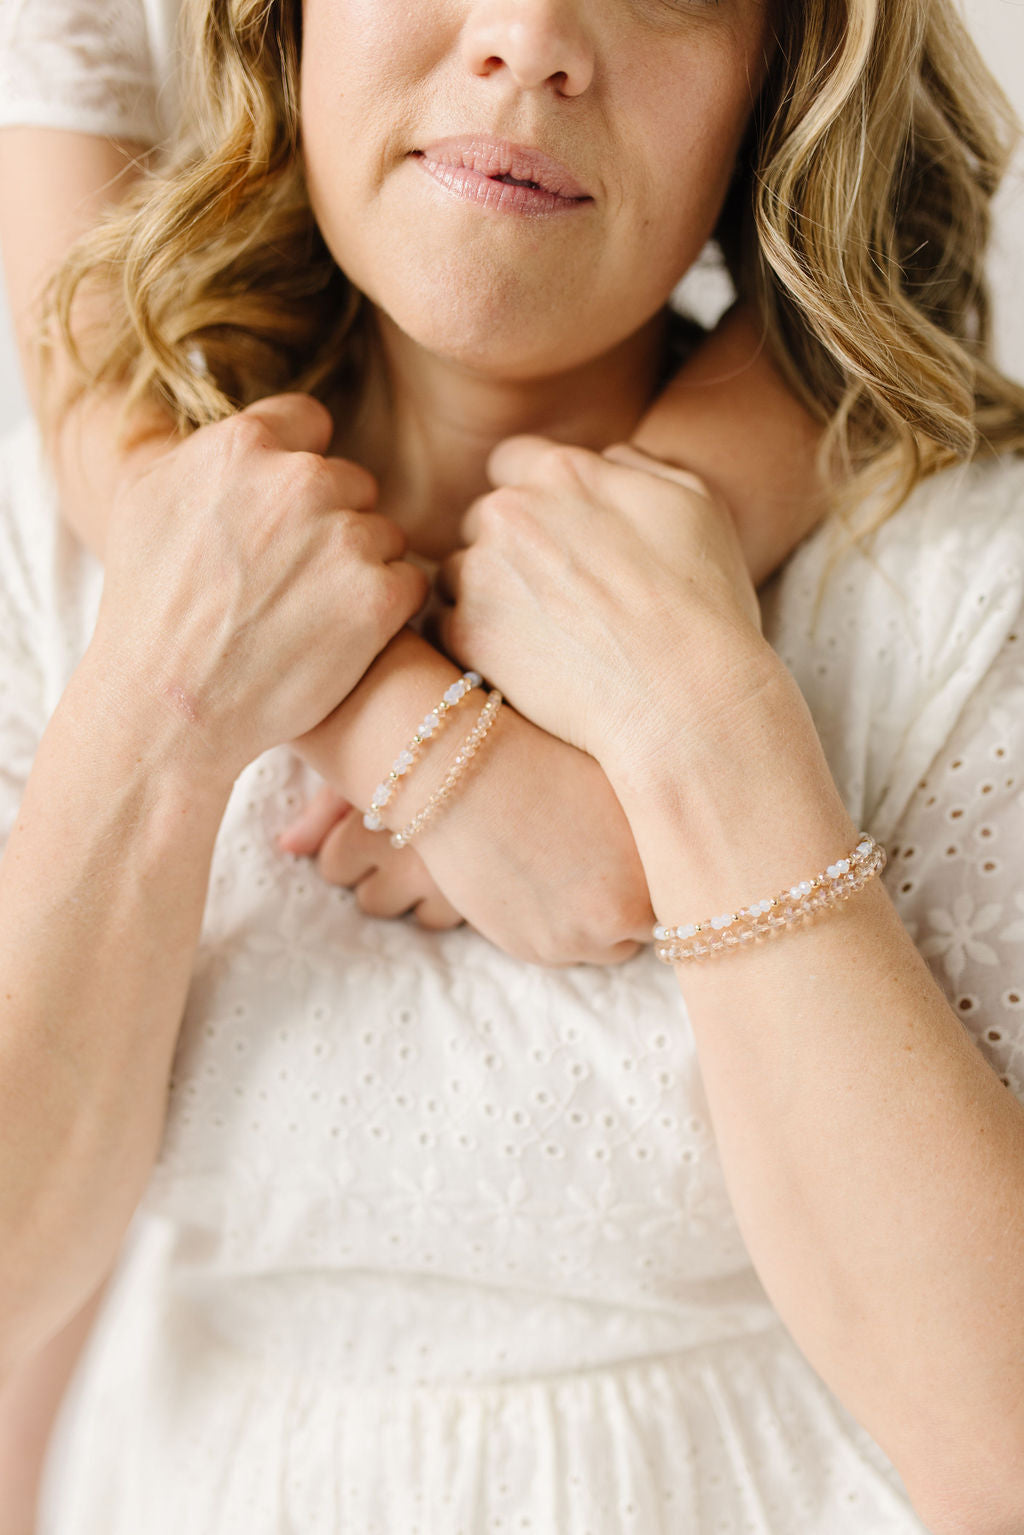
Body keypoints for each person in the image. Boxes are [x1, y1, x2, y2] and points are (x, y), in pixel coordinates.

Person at [0, 1, 1023, 1533]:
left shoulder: (954, 584)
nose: (533, 40)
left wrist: (699, 727)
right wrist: (180, 699)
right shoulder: (74, 549)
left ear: (776, 80)